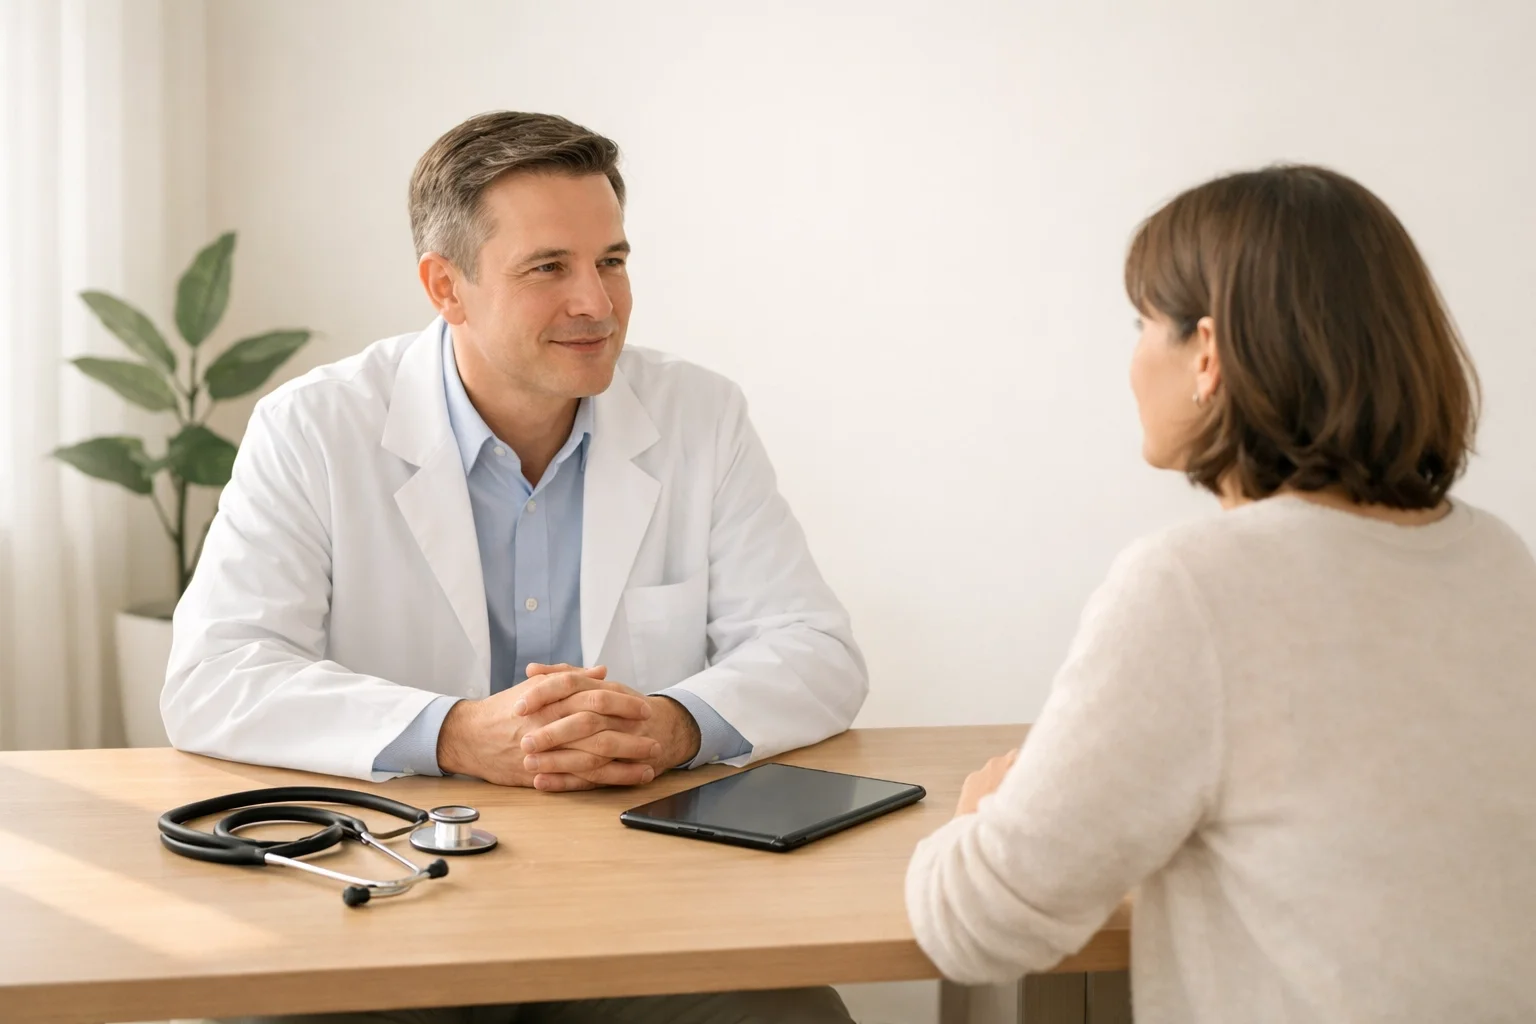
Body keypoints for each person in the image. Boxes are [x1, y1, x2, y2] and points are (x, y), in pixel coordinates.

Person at [163, 111, 863, 1023]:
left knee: (788, 1016)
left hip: (639, 900)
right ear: (445, 286)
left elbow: (815, 649)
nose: (598, 303)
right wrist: (451, 733)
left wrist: (673, 723)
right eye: (549, 268)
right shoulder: (314, 427)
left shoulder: (700, 414)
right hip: (395, 889)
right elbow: (213, 675)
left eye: (611, 261)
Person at [905, 165, 1536, 1022]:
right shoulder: (1500, 560)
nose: (1130, 360)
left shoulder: (1195, 588)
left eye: (1140, 324)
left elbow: (980, 926)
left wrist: (978, 818)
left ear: (1206, 352)